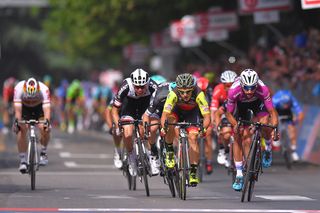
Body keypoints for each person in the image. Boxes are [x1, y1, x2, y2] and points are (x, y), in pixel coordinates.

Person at [225, 69, 279, 191]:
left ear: (256, 85)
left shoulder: (263, 89)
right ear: (242, 85)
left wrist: (274, 128)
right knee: (238, 134)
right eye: (246, 88)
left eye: (252, 88)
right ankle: (239, 174)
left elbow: (272, 112)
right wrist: (235, 125)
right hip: (240, 106)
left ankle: (268, 147)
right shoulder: (233, 91)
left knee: (265, 123)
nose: (249, 91)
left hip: (258, 103)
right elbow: (228, 114)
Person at [160, 73, 211, 185]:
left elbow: (207, 116)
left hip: (192, 114)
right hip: (176, 112)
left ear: (192, 88)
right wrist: (164, 127)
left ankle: (193, 172)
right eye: (182, 92)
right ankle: (169, 152)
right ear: (178, 89)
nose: (185, 95)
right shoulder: (173, 93)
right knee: (170, 122)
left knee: (193, 137)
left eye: (188, 91)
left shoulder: (199, 94)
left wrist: (204, 129)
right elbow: (165, 114)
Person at [112, 68, 158, 176]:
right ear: (133, 84)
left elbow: (159, 105)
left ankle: (151, 156)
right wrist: (118, 127)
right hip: (129, 107)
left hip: (145, 108)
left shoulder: (153, 86)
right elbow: (114, 110)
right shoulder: (125, 86)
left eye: (142, 86)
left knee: (146, 130)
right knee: (127, 133)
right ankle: (131, 158)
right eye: (137, 87)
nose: (140, 89)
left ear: (147, 83)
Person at [13, 77, 51, 173]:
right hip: (25, 109)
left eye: (33, 97)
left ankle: (43, 152)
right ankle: (23, 160)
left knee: (44, 127)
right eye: (29, 97)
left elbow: (47, 110)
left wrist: (47, 122)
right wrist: (17, 123)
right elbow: (18, 111)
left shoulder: (44, 89)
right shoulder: (19, 88)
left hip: (39, 109)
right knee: (22, 128)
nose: (31, 100)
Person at [211, 71, 237, 168]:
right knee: (225, 133)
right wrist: (215, 123)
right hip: (222, 111)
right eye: (226, 85)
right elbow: (214, 110)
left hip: (236, 111)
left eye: (231, 85)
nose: (229, 88)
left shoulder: (239, 90)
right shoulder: (218, 90)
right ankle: (223, 148)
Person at [272, 89, 304, 162]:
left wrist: (295, 122)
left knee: (292, 130)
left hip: (288, 113)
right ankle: (276, 135)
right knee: (274, 121)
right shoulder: (276, 100)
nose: (286, 105)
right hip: (277, 112)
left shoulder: (292, 100)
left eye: (287, 104)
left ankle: (293, 151)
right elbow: (270, 112)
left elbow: (300, 114)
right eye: (284, 104)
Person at [196, 77, 214, 174]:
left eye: (204, 90)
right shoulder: (195, 92)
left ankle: (209, 161)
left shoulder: (210, 93)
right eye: (201, 90)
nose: (202, 92)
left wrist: (211, 121)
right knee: (194, 136)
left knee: (208, 135)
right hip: (197, 115)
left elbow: (212, 108)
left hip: (207, 114)